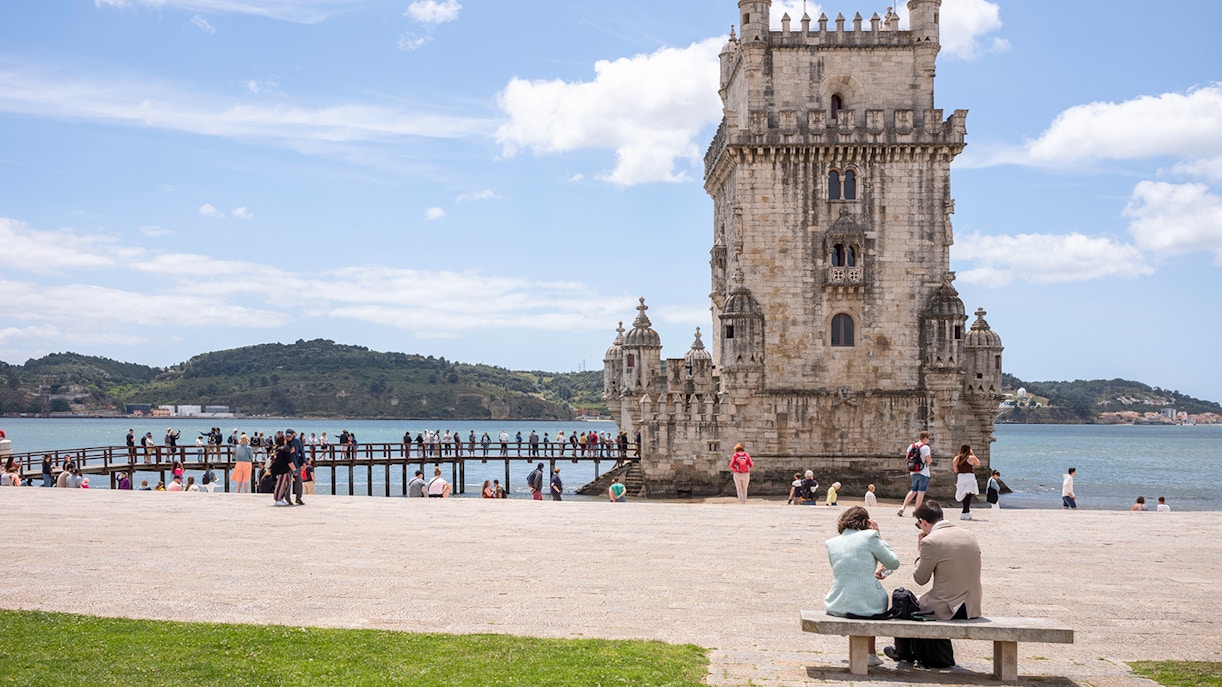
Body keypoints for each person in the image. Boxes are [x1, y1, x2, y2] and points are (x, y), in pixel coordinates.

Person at [883, 500, 982, 667]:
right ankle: (910, 651)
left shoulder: (931, 541)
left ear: (923, 522)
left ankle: (903, 652)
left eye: (918, 524)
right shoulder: (969, 535)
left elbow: (920, 579)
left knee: (903, 599)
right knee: (919, 599)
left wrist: (920, 550)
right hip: (972, 606)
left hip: (949, 608)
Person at [823, 506, 901, 667]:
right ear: (866, 522)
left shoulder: (831, 543)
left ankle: (869, 654)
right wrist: (879, 536)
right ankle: (870, 654)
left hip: (837, 602)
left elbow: (846, 570)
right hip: (865, 603)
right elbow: (893, 562)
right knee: (871, 597)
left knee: (862, 593)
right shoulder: (870, 536)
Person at [897, 431, 932, 517]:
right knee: (921, 492)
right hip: (923, 472)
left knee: (913, 491)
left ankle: (903, 507)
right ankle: (916, 511)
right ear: (925, 438)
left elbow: (907, 458)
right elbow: (928, 460)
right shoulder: (926, 448)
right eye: (929, 438)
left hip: (913, 471)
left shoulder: (912, 446)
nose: (929, 440)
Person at [952, 444, 981, 520]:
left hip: (961, 477)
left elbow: (955, 470)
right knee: (969, 495)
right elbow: (978, 464)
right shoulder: (971, 458)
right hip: (969, 477)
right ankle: (964, 512)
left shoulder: (956, 458)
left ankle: (967, 512)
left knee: (964, 494)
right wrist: (973, 454)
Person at [270, 435, 294, 506]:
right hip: (281, 470)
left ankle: (281, 497)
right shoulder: (283, 449)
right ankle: (277, 498)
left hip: (282, 469)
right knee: (280, 484)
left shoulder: (277, 449)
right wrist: (294, 470)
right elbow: (289, 460)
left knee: (287, 483)